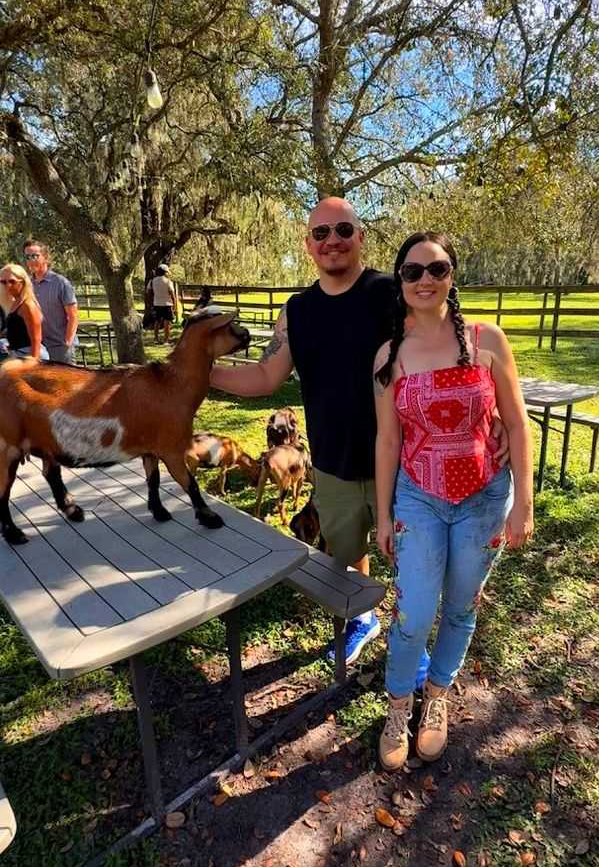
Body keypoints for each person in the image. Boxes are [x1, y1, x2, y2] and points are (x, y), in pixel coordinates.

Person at [210, 197, 509, 674]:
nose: (333, 241)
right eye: (321, 233)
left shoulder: (397, 291)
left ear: (361, 237)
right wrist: (201, 374)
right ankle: (365, 621)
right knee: (349, 557)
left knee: (416, 567)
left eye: (343, 230)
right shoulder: (297, 312)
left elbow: (454, 352)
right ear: (307, 244)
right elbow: (267, 376)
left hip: (408, 466)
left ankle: (411, 643)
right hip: (333, 464)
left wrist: (495, 417)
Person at [373, 232, 533, 771]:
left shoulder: (487, 339)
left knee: (461, 607)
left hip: (484, 497)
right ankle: (400, 704)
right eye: (413, 271)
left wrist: (523, 505)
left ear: (452, 275)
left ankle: (437, 696)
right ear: (400, 281)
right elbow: (388, 441)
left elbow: (516, 422)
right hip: (418, 497)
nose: (425, 280)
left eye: (436, 269)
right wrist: (382, 516)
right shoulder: (389, 355)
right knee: (415, 609)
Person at [21, 240, 79, 362]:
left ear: (45, 257)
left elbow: (73, 316)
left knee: (64, 381)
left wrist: (67, 343)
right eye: (27, 257)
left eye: (34, 256)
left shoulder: (61, 283)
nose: (31, 260)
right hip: (39, 347)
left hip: (60, 346)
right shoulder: (27, 285)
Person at [0, 264, 49, 360]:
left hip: (31, 355)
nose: (8, 285)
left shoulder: (27, 305)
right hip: (18, 354)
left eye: (12, 281)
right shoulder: (15, 302)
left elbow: (36, 339)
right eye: (3, 282)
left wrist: (33, 363)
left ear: (23, 282)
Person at [147, 264, 177, 344]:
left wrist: (151, 303)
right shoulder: (168, 281)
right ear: (165, 272)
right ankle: (166, 340)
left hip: (156, 304)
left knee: (157, 322)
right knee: (167, 323)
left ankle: (156, 339)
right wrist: (175, 305)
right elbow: (172, 294)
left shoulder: (152, 281)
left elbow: (149, 293)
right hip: (167, 304)